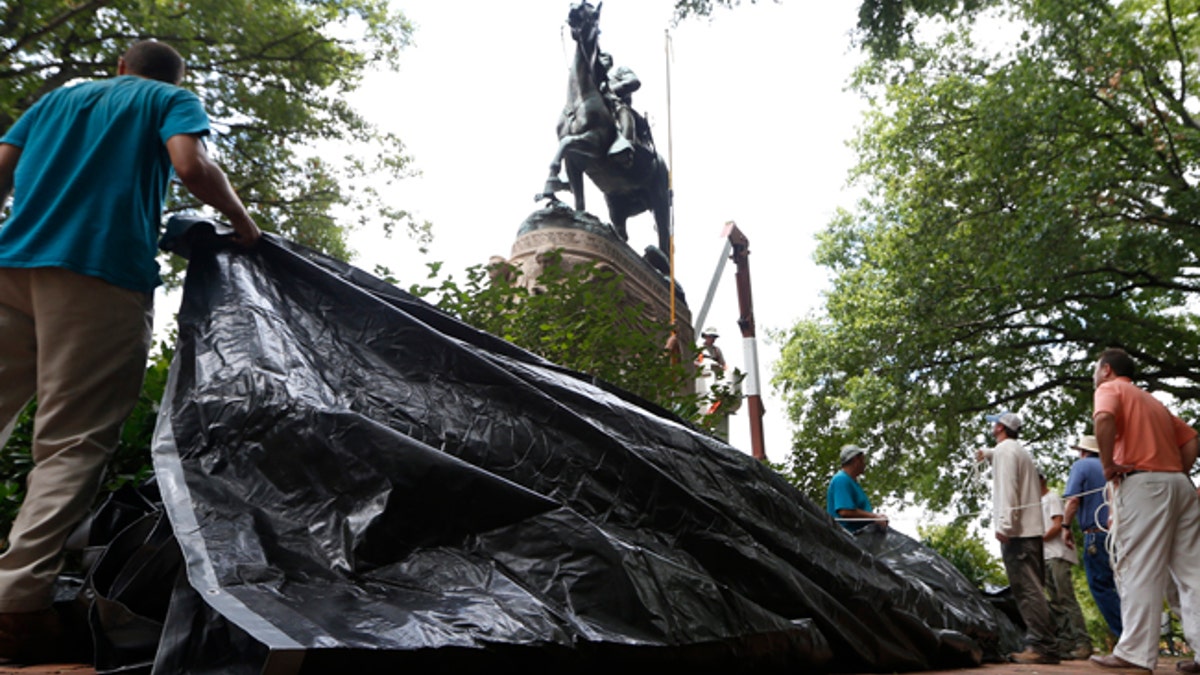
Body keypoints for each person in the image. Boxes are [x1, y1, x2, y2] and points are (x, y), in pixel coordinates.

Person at [0, 39, 260, 663]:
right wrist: (243, 223)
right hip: (99, 273)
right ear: (176, 78)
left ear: (119, 66)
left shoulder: (57, 101)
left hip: (10, 266)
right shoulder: (170, 99)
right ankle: (15, 608)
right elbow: (191, 168)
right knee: (71, 441)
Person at [1087, 348, 1200, 672]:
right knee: (1194, 574)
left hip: (1145, 485)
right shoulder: (1154, 402)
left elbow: (1105, 418)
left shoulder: (1109, 389)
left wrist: (1108, 465)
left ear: (1106, 369)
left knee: (1139, 567)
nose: (1095, 376)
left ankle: (1135, 654)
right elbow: (1191, 439)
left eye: (1096, 369)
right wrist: (1178, 472)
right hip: (1180, 486)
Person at [974, 410, 1058, 664]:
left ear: (1000, 428)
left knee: (1027, 590)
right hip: (1029, 533)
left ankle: (1042, 646)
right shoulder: (1015, 450)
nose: (992, 427)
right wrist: (988, 453)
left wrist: (1005, 524)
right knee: (1033, 588)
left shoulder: (1006, 452)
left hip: (1018, 534)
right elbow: (1006, 461)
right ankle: (1046, 643)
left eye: (994, 424)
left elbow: (1009, 485)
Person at [1062, 434, 1122, 638]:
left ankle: (1124, 636)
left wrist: (1065, 526)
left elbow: (1072, 501)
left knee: (1101, 587)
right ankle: (1136, 637)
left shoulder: (1082, 466)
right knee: (1123, 586)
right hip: (1120, 533)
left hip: (1096, 534)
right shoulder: (1112, 468)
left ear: (1082, 451)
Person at [1039, 471, 1092, 660]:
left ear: (1041, 480)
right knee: (1054, 601)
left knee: (1066, 598)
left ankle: (1082, 641)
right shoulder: (1035, 502)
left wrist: (1036, 541)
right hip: (1045, 556)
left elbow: (1056, 526)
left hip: (1058, 554)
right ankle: (1066, 641)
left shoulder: (1051, 498)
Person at [826, 444, 887, 533]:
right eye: (863, 459)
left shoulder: (852, 482)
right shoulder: (841, 479)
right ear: (856, 460)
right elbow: (845, 511)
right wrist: (874, 517)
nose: (865, 463)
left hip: (859, 538)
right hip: (848, 538)